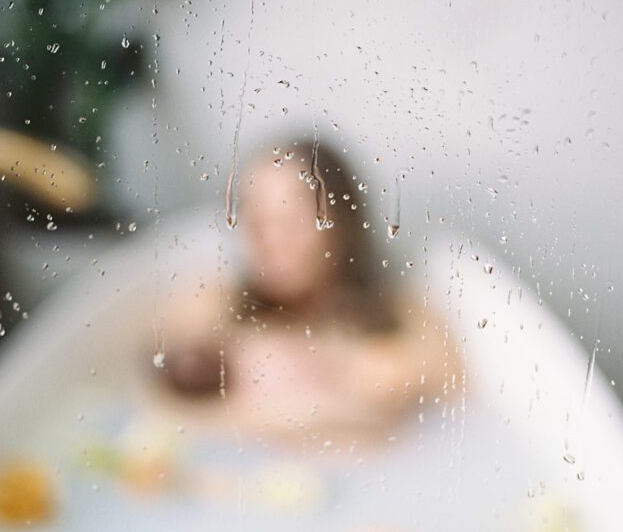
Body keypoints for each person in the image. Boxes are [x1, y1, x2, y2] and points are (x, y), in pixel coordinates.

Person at [148, 139, 455, 444]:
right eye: (257, 219)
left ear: (341, 221)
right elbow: (146, 403)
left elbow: (449, 399)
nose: (269, 238)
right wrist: (309, 408)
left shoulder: (399, 319)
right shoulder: (212, 307)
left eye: (291, 218)